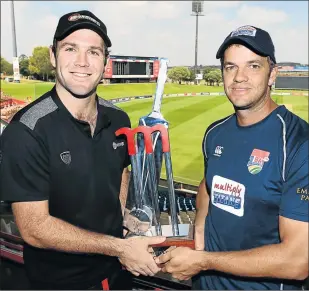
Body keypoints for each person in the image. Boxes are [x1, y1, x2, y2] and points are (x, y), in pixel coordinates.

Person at [0, 10, 165, 290]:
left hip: (117, 275)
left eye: (93, 52)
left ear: (105, 62)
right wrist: (119, 247)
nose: (82, 62)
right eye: (70, 49)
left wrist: (121, 214)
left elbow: (121, 171)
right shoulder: (26, 130)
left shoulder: (118, 119)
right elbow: (34, 228)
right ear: (53, 56)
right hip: (61, 283)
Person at [155, 25, 309, 290]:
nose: (239, 77)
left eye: (253, 66)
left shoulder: (297, 142)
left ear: (272, 74)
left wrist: (204, 261)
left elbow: (298, 261)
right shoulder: (215, 133)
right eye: (230, 67)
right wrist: (199, 232)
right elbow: (207, 185)